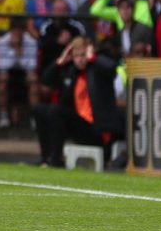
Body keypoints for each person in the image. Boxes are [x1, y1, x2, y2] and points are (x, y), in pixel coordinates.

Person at [32, 37, 121, 167]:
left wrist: (93, 58)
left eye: (83, 55)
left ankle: (56, 160)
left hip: (97, 129)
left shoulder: (98, 70)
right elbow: (46, 80)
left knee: (56, 111)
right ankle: (46, 157)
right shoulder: (71, 72)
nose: (80, 59)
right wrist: (60, 62)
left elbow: (111, 69)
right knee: (39, 109)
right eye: (76, 56)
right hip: (78, 124)